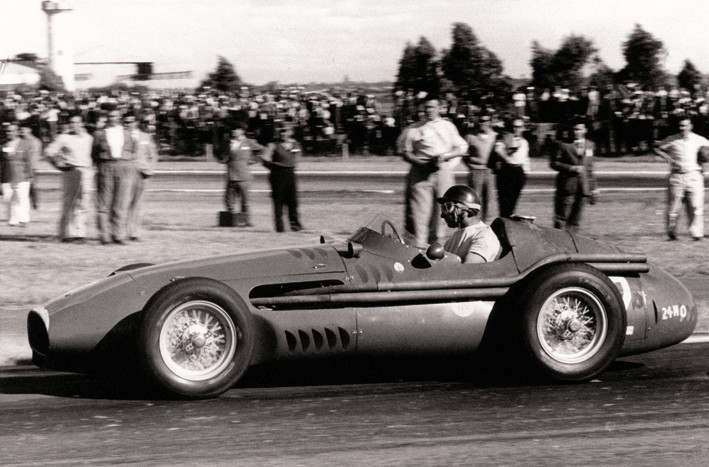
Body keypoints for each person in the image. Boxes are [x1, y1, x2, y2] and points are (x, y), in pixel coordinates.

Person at [397, 97, 468, 248]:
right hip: (421, 172)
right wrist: (421, 163)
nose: (429, 110)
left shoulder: (448, 126)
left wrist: (445, 156)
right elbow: (405, 152)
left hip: (443, 170)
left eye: (433, 107)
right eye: (427, 107)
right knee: (420, 214)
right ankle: (419, 248)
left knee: (444, 212)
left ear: (440, 108)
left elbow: (462, 147)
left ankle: (439, 248)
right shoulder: (414, 129)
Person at [654, 116, 709, 241]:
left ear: (691, 126)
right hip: (677, 176)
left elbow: (707, 150)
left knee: (696, 205)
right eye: (681, 125)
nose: (682, 128)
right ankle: (671, 233)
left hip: (694, 175)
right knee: (674, 206)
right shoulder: (672, 139)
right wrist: (669, 159)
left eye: (685, 125)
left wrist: (704, 157)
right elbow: (657, 148)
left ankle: (696, 234)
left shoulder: (698, 139)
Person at [45, 114, 94, 242]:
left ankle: (80, 233)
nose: (74, 125)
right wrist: (58, 165)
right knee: (69, 202)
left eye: (77, 122)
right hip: (71, 171)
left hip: (87, 172)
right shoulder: (64, 138)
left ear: (82, 124)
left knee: (84, 203)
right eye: (72, 122)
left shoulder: (89, 138)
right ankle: (66, 233)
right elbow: (49, 152)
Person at [91, 110, 137, 245]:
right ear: (107, 118)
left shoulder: (127, 133)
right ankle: (104, 235)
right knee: (104, 203)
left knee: (121, 203)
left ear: (119, 118)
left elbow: (133, 151)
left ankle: (118, 235)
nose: (113, 118)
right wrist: (101, 166)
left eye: (115, 116)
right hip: (106, 166)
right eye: (110, 116)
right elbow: (93, 153)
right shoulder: (99, 134)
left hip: (124, 166)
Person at [550, 118, 599, 233]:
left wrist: (594, 187)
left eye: (579, 129)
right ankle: (558, 243)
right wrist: (571, 168)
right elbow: (554, 163)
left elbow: (590, 168)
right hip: (567, 185)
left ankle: (572, 244)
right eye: (575, 129)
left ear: (585, 130)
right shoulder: (563, 144)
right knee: (561, 217)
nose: (577, 132)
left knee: (576, 220)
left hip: (583, 187)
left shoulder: (590, 145)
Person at [435, 185, 501, 263]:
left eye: (447, 208)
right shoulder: (451, 241)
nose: (442, 215)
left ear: (465, 209)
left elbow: (469, 270)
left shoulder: (484, 235)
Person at [260, 125, 304, 232]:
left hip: (290, 173)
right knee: (278, 201)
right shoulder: (273, 145)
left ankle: (295, 224)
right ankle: (279, 226)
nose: (283, 134)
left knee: (292, 200)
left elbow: (297, 157)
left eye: (285, 131)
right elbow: (264, 159)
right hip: (278, 174)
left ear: (291, 132)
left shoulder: (294, 144)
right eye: (281, 131)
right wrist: (275, 166)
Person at [222, 121, 264, 224]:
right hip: (231, 175)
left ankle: (245, 221)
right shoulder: (229, 143)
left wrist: (254, 160)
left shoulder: (249, 142)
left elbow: (263, 150)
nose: (233, 131)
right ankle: (231, 220)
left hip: (244, 176)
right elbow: (223, 156)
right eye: (232, 129)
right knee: (229, 200)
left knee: (245, 201)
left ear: (242, 131)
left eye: (236, 129)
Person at [126, 116, 158, 241]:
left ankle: (134, 232)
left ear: (136, 122)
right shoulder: (121, 135)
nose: (128, 124)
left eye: (130, 122)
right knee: (123, 202)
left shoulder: (146, 137)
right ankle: (122, 231)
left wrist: (150, 169)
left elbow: (153, 154)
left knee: (137, 203)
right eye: (126, 122)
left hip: (141, 172)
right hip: (126, 172)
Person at [491, 118, 530, 218]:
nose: (516, 129)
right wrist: (508, 158)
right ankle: (503, 224)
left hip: (519, 172)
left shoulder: (525, 142)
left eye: (519, 127)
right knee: (505, 204)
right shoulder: (506, 137)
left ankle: (509, 223)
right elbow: (498, 150)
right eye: (514, 126)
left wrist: (525, 173)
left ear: (523, 128)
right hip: (508, 171)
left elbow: (525, 159)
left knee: (513, 203)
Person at [463, 114, 497, 222]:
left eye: (485, 121)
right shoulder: (470, 137)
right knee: (474, 200)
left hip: (489, 172)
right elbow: (464, 154)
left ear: (490, 122)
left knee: (489, 199)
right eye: (480, 121)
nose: (482, 123)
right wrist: (471, 164)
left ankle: (487, 224)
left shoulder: (495, 136)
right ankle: (474, 223)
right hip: (475, 171)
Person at [1, 123, 34, 226]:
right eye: (8, 131)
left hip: (22, 176)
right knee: (9, 198)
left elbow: (28, 161)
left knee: (22, 198)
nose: (9, 133)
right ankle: (13, 219)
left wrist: (30, 175)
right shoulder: (3, 145)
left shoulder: (25, 144)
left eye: (12, 131)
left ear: (17, 132)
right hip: (7, 176)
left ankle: (24, 219)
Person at [18, 120, 42, 210]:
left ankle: (34, 203)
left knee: (31, 186)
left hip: (31, 167)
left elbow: (35, 156)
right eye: (21, 129)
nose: (22, 131)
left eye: (23, 129)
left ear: (29, 130)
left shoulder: (35, 142)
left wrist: (31, 168)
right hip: (21, 166)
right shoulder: (20, 141)